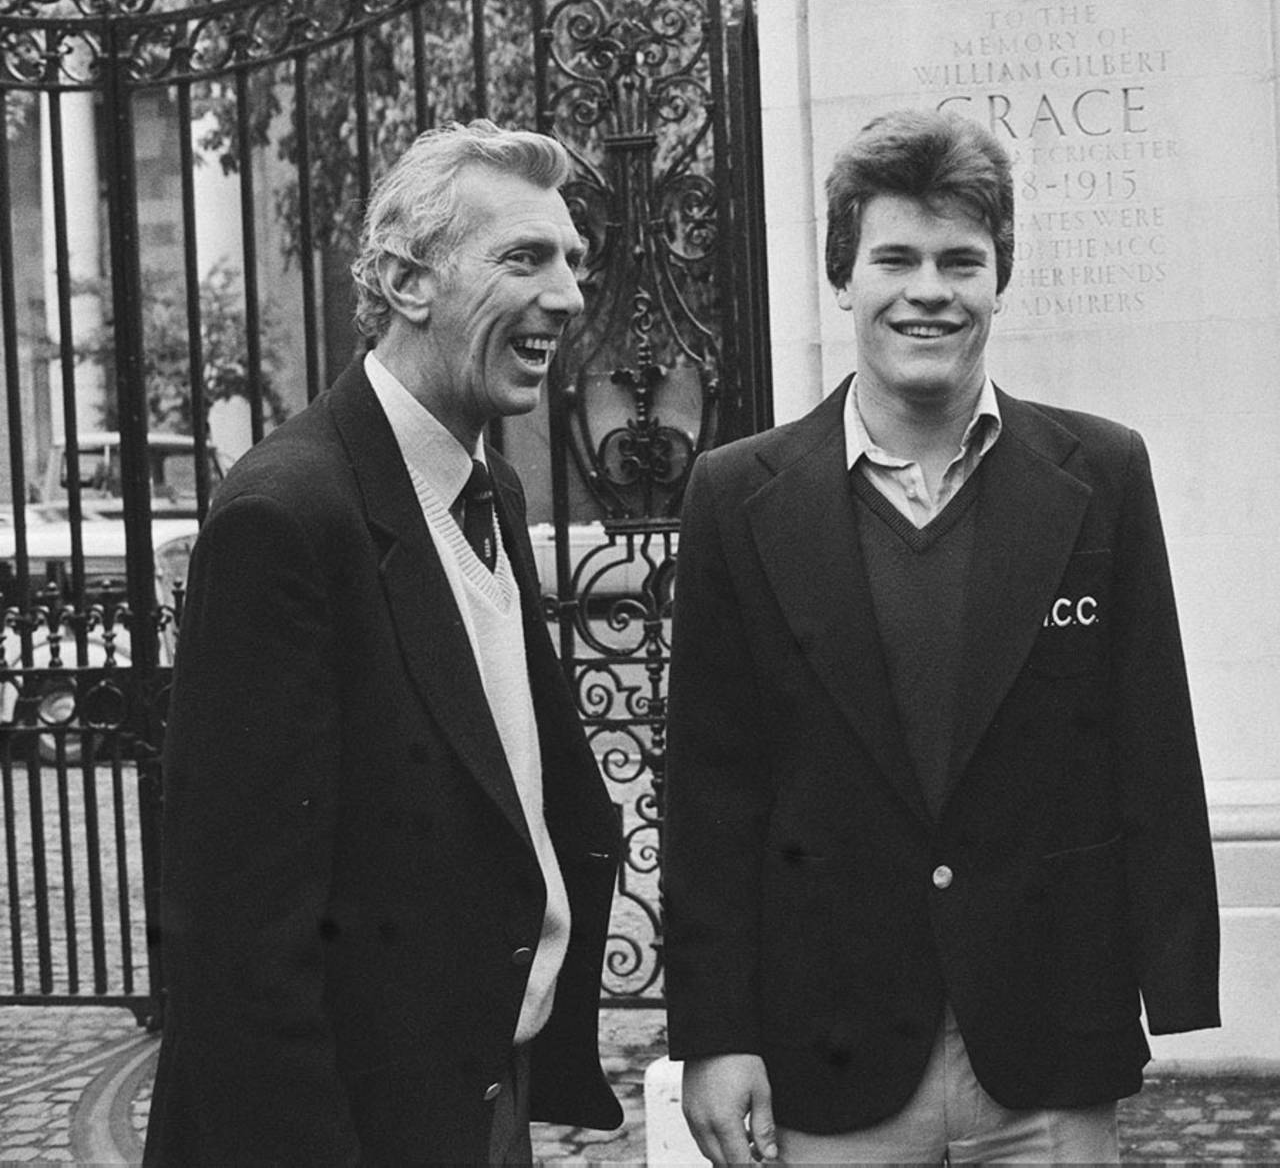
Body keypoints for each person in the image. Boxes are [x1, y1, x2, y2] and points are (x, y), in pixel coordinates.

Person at [662, 108, 1220, 1166]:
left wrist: (1176, 982)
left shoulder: (1099, 474)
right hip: (830, 1056)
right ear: (844, 276)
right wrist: (714, 1034)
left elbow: (1150, 741)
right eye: (895, 258)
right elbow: (710, 786)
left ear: (996, 277)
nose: (929, 288)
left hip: (1049, 1046)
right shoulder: (736, 496)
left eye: (959, 260)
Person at [144, 120, 623, 1166]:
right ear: (408, 282)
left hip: (480, 1093)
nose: (568, 295)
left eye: (573, 262)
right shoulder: (286, 515)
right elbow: (237, 940)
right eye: (524, 258)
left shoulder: (483, 484)